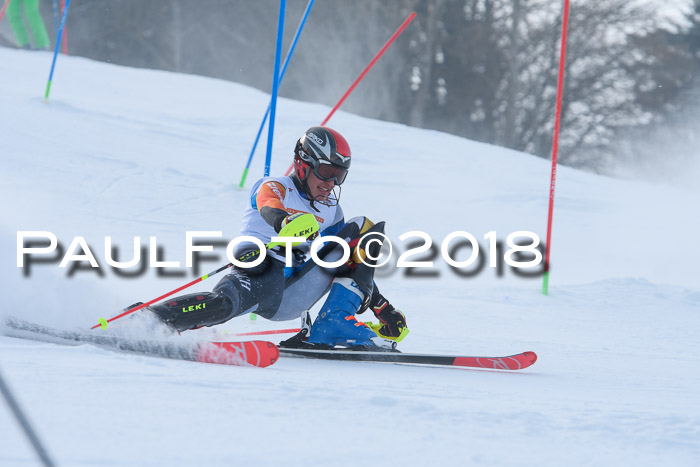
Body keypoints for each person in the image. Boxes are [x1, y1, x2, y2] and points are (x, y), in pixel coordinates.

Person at [149, 126, 408, 349]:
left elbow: (349, 260)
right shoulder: (277, 186)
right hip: (264, 269)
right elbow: (267, 203)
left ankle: (333, 323)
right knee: (225, 305)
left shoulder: (331, 211)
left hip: (297, 290)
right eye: (327, 171)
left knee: (364, 228)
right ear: (303, 164)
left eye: (339, 175)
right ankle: (149, 319)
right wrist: (283, 221)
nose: (331, 183)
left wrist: (381, 306)